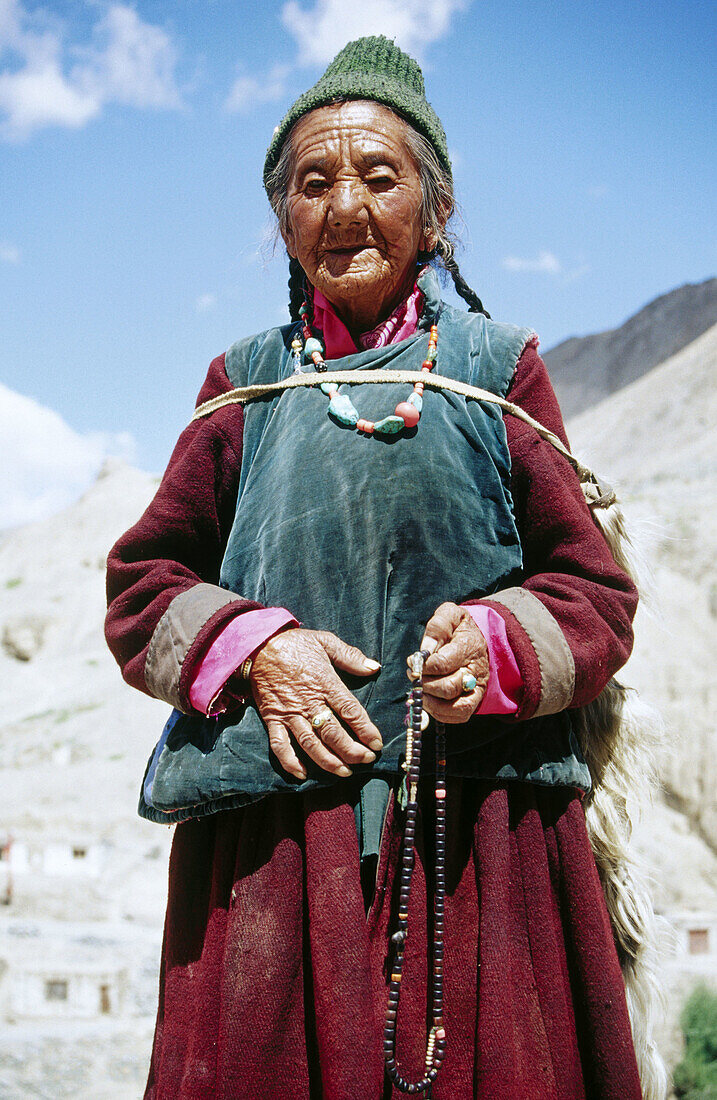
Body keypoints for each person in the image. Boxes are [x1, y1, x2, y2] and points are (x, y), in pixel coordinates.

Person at [105, 36, 654, 1100]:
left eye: (378, 175)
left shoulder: (499, 369)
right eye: (313, 182)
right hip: (277, 850)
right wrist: (258, 647)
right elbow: (144, 583)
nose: (345, 203)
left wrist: (497, 647)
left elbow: (593, 591)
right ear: (283, 220)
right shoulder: (244, 384)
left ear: (434, 212)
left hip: (479, 839)